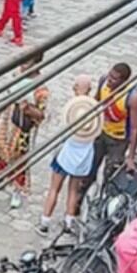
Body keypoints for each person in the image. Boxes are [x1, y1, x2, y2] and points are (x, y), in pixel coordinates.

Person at [37, 75, 101, 237]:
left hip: (65, 155)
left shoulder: (72, 111)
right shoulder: (94, 112)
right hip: (83, 157)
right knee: (74, 191)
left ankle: (45, 221)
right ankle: (69, 221)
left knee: (54, 188)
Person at [0, 53, 50, 209]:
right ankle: (1, 177)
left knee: (19, 157)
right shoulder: (16, 75)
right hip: (8, 118)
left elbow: (42, 114)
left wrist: (28, 109)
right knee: (0, 148)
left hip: (22, 124)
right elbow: (7, 95)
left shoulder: (40, 86)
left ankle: (17, 190)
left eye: (28, 61)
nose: (23, 64)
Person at [84, 64, 137, 194]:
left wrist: (131, 157)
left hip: (119, 141)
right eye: (110, 75)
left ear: (123, 81)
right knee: (88, 170)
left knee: (110, 175)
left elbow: (134, 128)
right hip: (101, 132)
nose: (109, 80)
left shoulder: (133, 97)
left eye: (114, 79)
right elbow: (96, 102)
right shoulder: (103, 81)